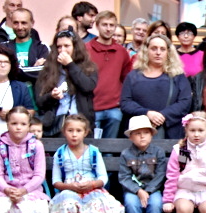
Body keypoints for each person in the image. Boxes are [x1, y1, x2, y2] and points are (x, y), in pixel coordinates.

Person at [49, 115, 125, 213]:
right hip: (69, 189)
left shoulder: (93, 152)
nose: (74, 134)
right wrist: (70, 186)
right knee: (68, 204)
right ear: (64, 132)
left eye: (78, 131)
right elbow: (56, 181)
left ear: (85, 132)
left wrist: (93, 184)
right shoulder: (60, 153)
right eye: (70, 130)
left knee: (99, 204)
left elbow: (103, 177)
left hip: (91, 189)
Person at [120, 33, 192, 139]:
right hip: (138, 134)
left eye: (162, 49)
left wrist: (163, 115)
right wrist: (147, 113)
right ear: (146, 51)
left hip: (170, 134)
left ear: (168, 52)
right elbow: (125, 103)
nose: (158, 52)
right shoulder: (133, 76)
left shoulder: (177, 76)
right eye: (154, 48)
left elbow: (185, 102)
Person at [119, 115, 167, 213]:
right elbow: (124, 177)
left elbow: (160, 175)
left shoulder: (158, 152)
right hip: (133, 191)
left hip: (153, 189)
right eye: (137, 133)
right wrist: (138, 191)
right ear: (131, 137)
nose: (142, 136)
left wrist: (149, 191)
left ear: (151, 134)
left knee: (156, 204)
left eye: (146, 133)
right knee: (131, 203)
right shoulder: (126, 154)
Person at [34, 29, 98, 137]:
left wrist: (70, 65)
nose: (62, 50)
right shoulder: (48, 70)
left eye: (67, 46)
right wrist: (51, 96)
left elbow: (87, 86)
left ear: (75, 47)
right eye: (59, 47)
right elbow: (40, 101)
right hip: (56, 124)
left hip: (80, 122)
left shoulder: (89, 67)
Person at [86, 11, 132, 139]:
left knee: (110, 147)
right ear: (97, 26)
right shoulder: (86, 49)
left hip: (114, 108)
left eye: (112, 25)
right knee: (92, 146)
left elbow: (126, 79)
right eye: (104, 24)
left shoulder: (122, 52)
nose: (108, 28)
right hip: (92, 107)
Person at [0, 8, 48, 88]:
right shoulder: (3, 47)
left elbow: (44, 72)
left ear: (32, 23)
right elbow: (1, 72)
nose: (20, 27)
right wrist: (33, 68)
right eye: (16, 23)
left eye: (24, 23)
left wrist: (13, 68)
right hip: (11, 93)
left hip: (35, 94)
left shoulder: (42, 47)